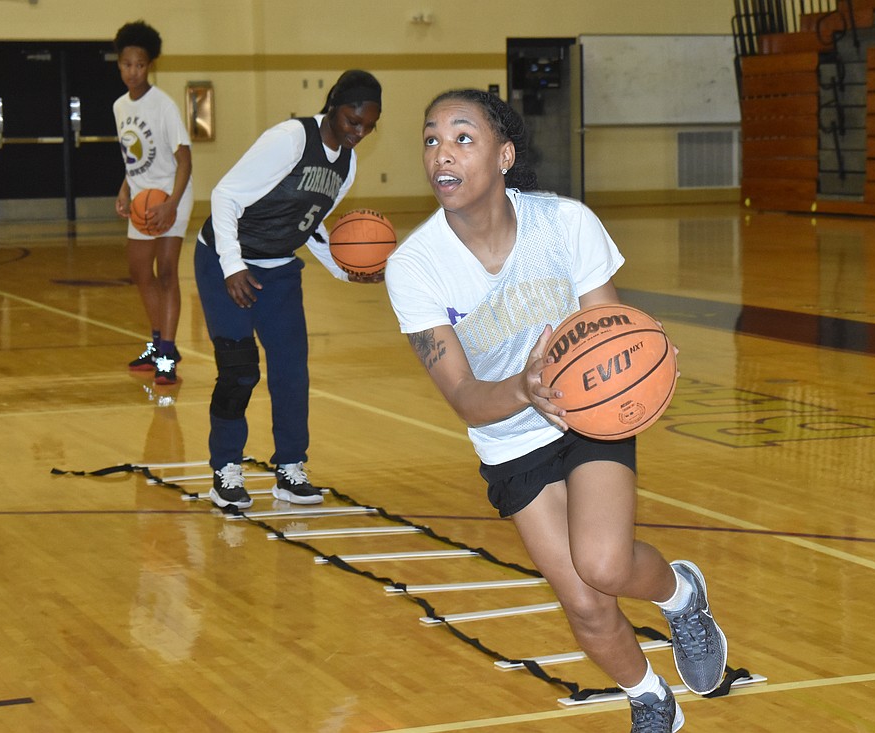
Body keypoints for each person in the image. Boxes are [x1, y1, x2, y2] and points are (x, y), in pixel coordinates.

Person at [384, 89, 727, 733]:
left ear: (505, 155)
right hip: (507, 433)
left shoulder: (565, 223)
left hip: (586, 413)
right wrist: (524, 388)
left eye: (462, 137)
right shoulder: (415, 268)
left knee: (604, 564)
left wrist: (643, 359)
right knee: (588, 605)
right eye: (430, 139)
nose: (441, 153)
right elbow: (463, 396)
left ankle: (682, 597)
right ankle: (649, 696)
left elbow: (609, 324)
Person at [194, 70, 382, 509]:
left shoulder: (347, 165)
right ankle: (225, 469)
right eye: (353, 121)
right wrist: (232, 266)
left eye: (369, 126)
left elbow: (310, 225)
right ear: (333, 106)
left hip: (278, 271)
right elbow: (224, 197)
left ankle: (290, 470)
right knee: (239, 371)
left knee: (292, 372)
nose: (359, 133)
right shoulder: (290, 139)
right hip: (226, 262)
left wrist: (344, 270)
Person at [113, 20, 193, 385]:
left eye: (140, 65)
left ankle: (167, 360)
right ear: (119, 65)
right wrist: (125, 189)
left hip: (170, 195)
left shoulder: (164, 106)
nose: (133, 71)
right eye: (127, 64)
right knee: (140, 273)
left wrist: (172, 204)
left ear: (150, 66)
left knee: (166, 272)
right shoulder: (119, 107)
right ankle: (159, 342)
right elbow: (134, 158)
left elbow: (185, 159)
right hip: (142, 197)